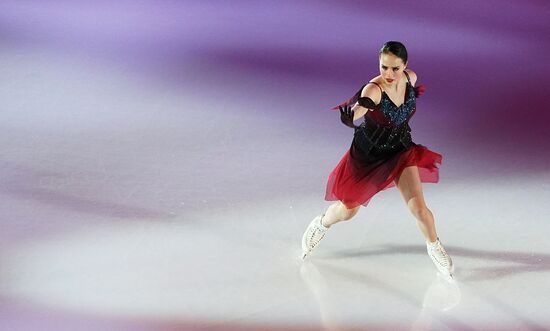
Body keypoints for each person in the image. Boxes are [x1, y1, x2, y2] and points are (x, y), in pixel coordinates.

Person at [301, 41, 454, 278]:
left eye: (395, 68)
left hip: (400, 149)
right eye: (384, 67)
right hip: (369, 154)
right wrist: (352, 116)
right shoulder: (374, 89)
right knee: (348, 211)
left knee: (419, 208)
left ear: (405, 65)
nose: (389, 74)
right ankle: (322, 223)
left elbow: (404, 96)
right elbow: (362, 107)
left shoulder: (410, 78)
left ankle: (434, 247)